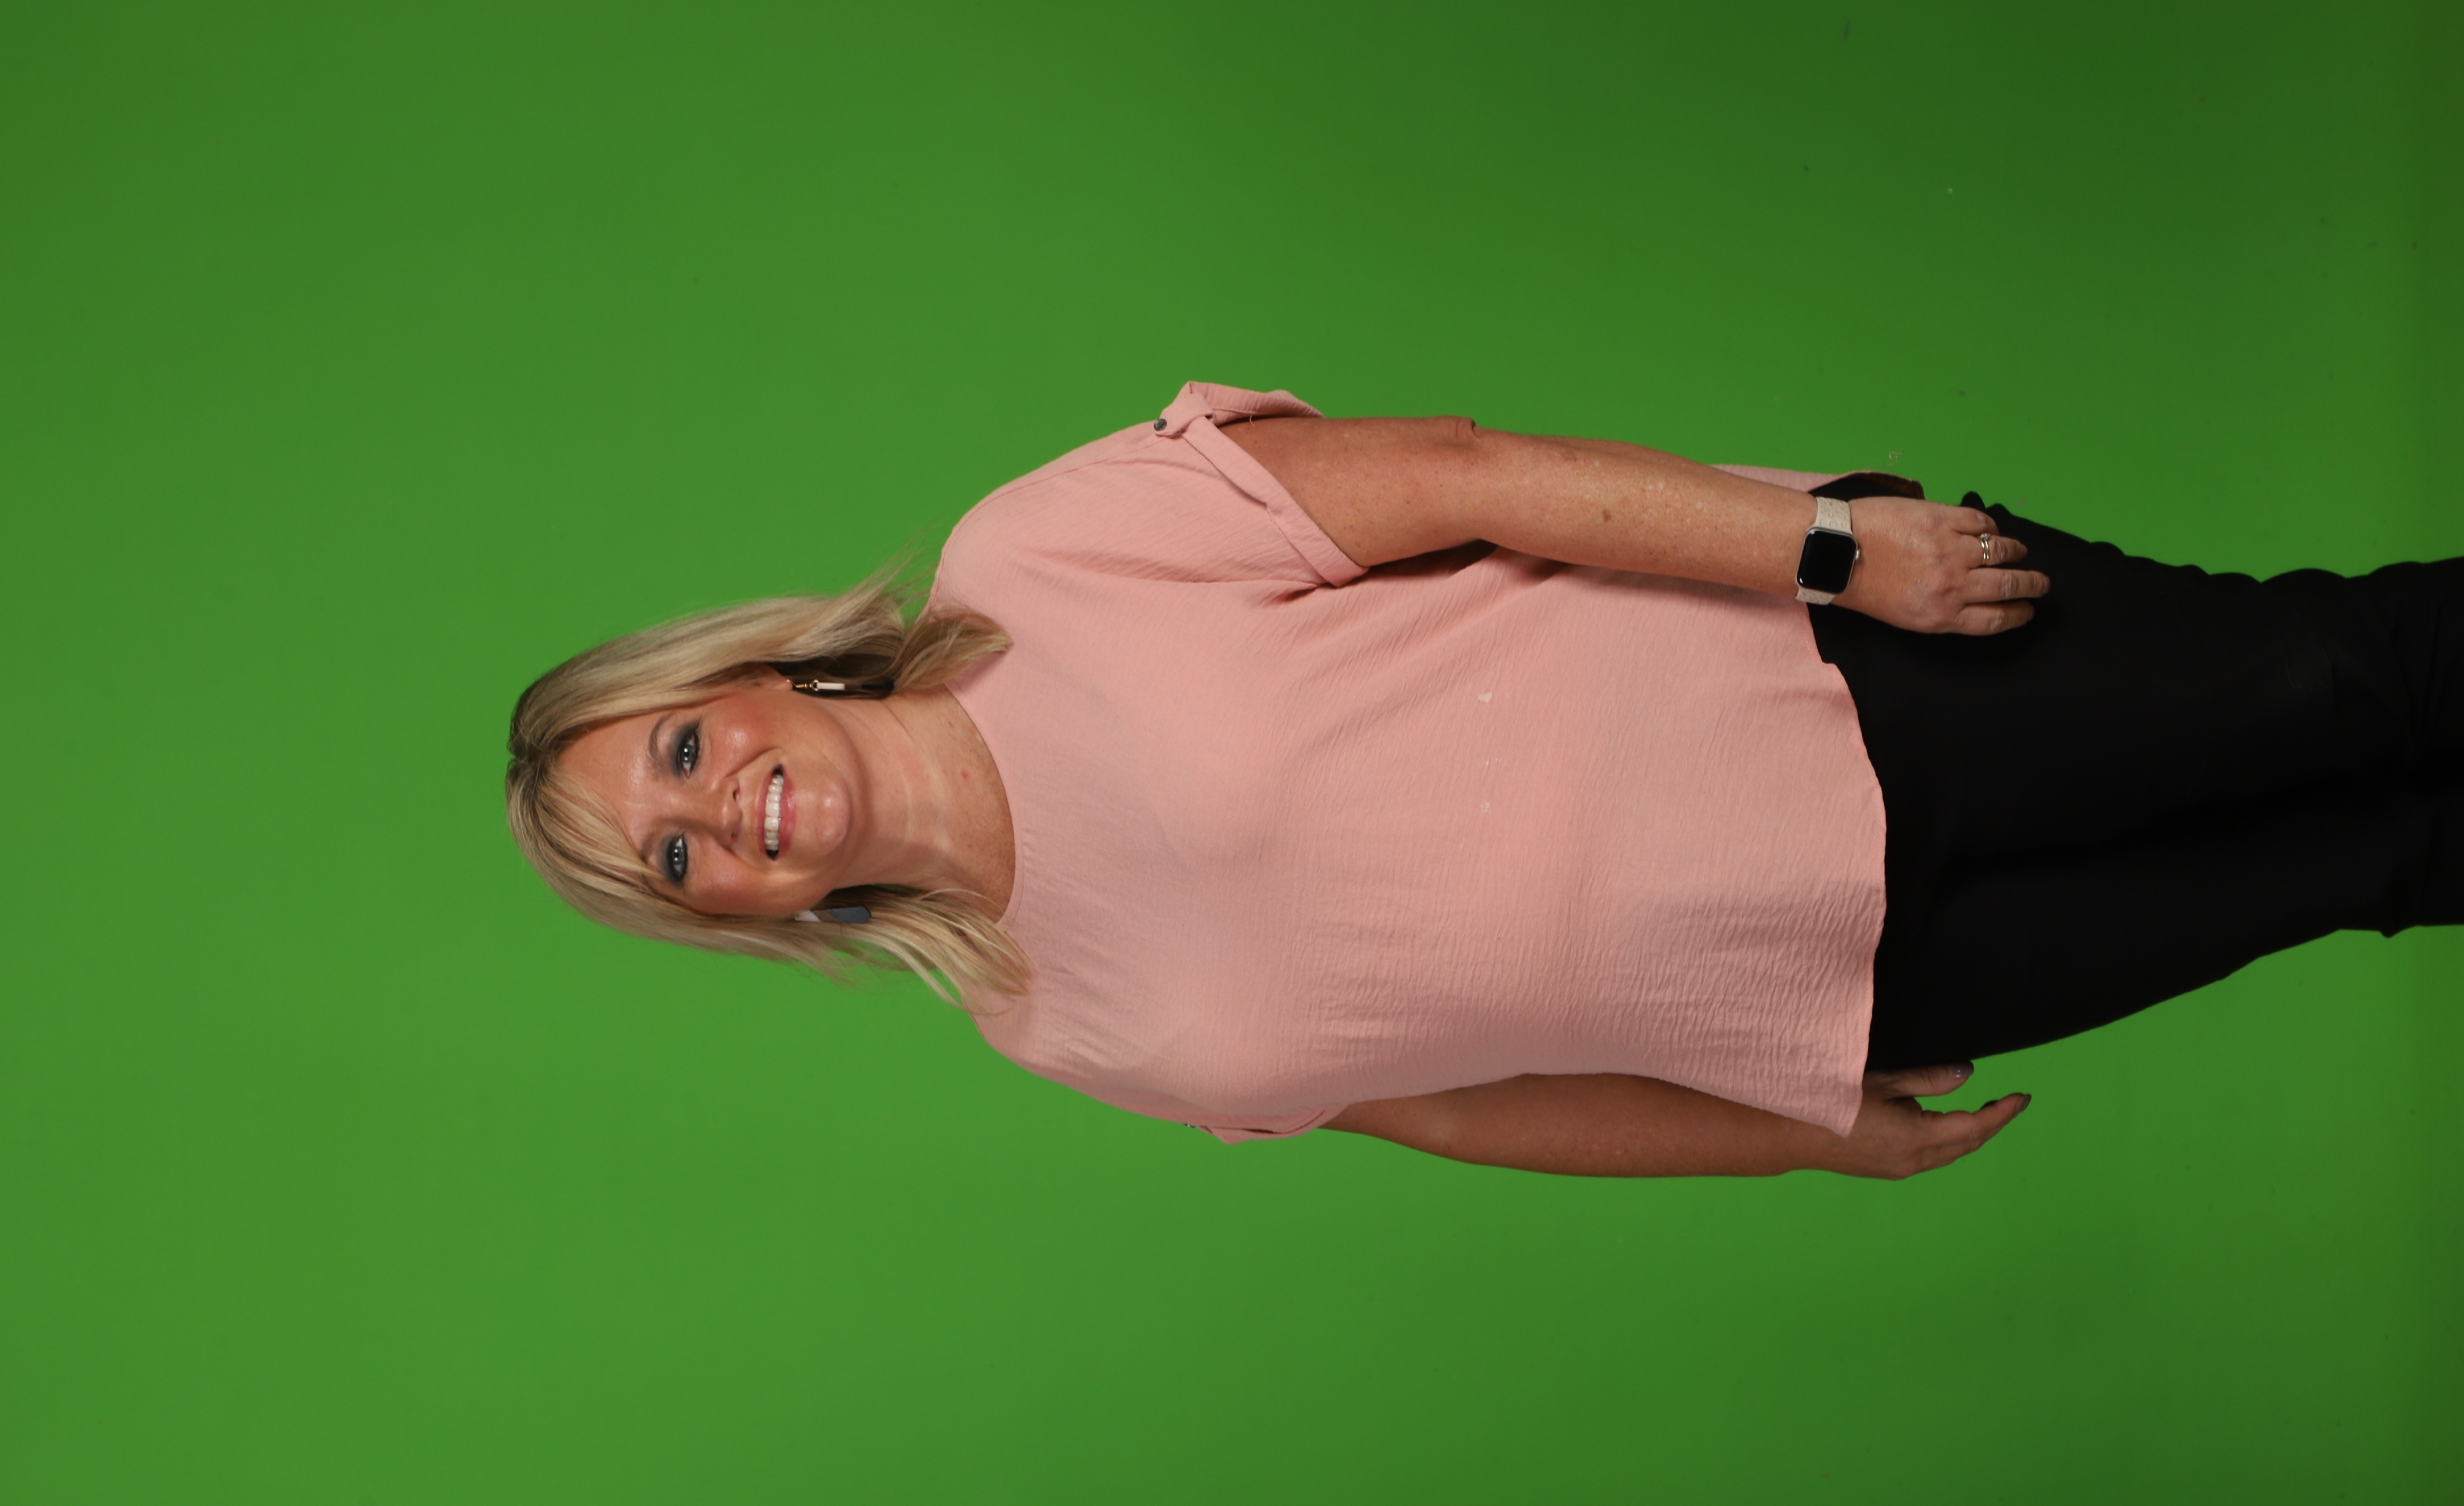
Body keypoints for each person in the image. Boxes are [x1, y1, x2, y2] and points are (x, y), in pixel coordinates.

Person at [506, 383, 2462, 1180]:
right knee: (2364, 864)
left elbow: (1462, 476)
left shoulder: (1033, 564)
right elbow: (1449, 1105)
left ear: (745, 678)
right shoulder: (1045, 1021)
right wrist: (1796, 1137)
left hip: (1854, 681)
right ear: (733, 916)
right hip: (1851, 986)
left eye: (680, 751)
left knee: (2347, 683)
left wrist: (1831, 553)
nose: (719, 812)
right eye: (672, 862)